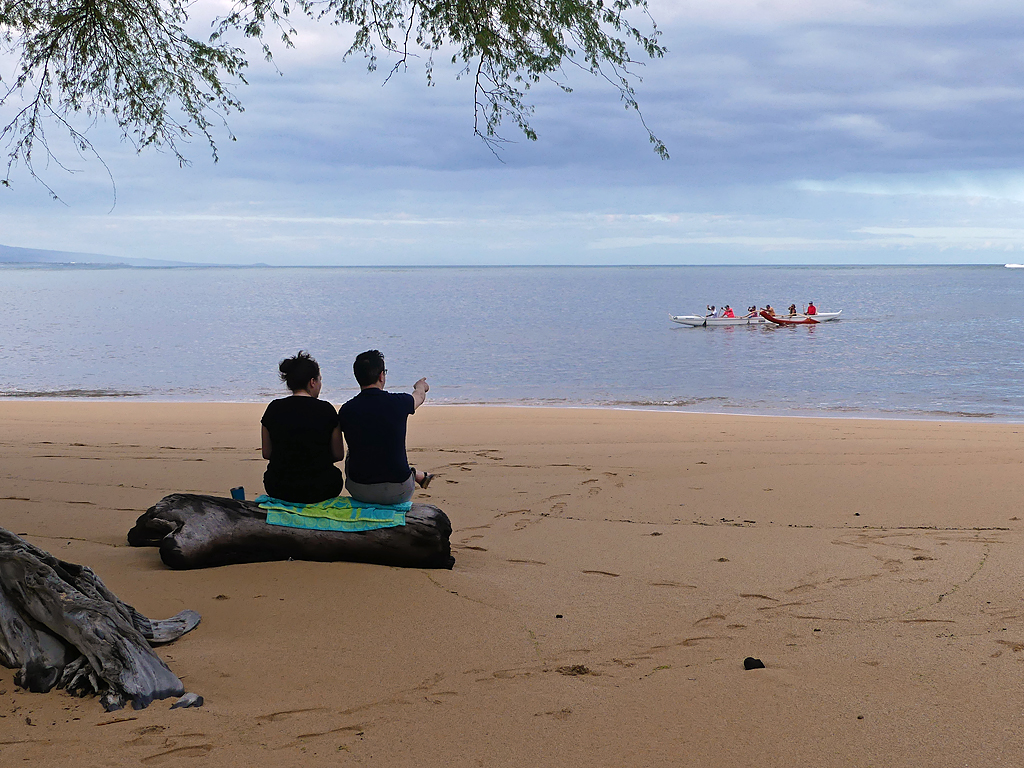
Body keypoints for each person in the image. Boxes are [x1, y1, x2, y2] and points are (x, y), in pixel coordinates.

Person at [338, 350, 434, 505]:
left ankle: (416, 474)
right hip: (399, 491)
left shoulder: (346, 410)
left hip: (359, 490)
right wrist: (420, 386)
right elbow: (419, 397)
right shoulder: (399, 402)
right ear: (381, 375)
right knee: (387, 449)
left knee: (356, 449)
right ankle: (415, 474)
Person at [261, 351, 345, 503]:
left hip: (279, 487)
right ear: (312, 382)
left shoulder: (273, 408)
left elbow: (267, 453)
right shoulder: (326, 410)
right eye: (320, 380)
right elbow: (338, 454)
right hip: (321, 488)